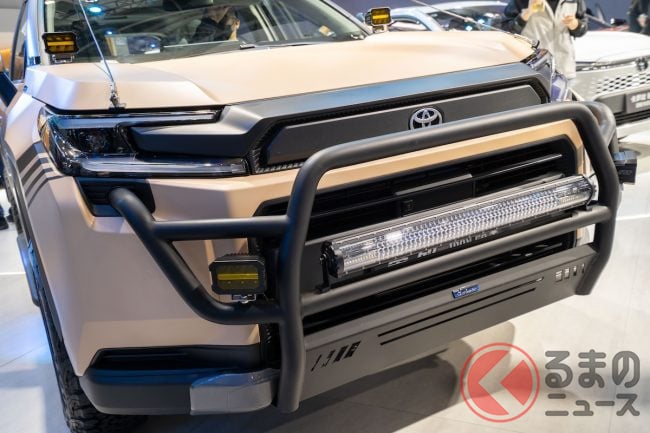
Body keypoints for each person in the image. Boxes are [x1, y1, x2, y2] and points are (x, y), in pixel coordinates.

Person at [503, 0, 588, 81]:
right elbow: (506, 30)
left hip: (565, 69)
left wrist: (575, 24)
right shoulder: (522, 1)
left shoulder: (575, 1)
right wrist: (527, 12)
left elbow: (583, 27)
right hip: (533, 70)